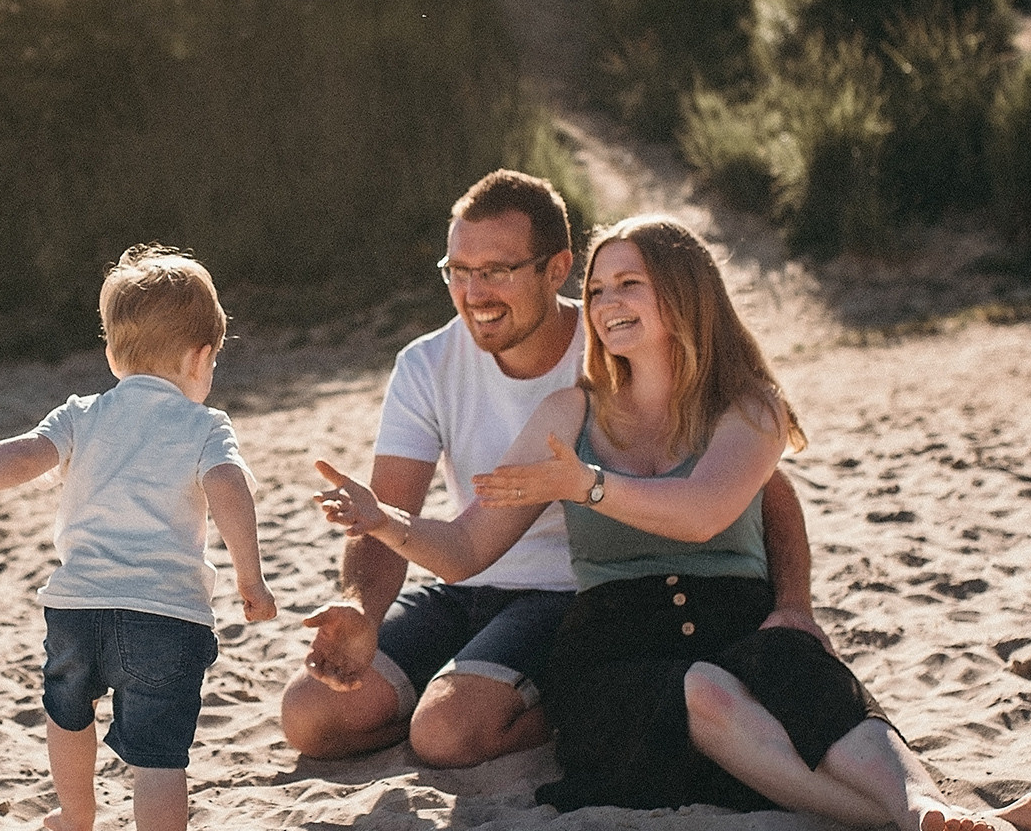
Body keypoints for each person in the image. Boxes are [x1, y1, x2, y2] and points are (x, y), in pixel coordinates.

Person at [314, 216, 1031, 831]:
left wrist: (586, 486)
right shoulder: (568, 409)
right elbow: (466, 547)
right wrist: (382, 519)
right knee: (702, 690)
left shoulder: (749, 405)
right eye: (599, 290)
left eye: (628, 285)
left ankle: (924, 807)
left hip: (736, 614)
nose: (605, 306)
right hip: (616, 641)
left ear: (682, 294)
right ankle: (918, 822)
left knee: (813, 689)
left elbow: (704, 513)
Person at [282, 170, 829, 769]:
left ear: (557, 267)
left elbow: (760, 492)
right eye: (458, 271)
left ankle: (579, 703)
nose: (475, 292)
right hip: (464, 576)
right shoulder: (426, 364)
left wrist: (794, 605)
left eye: (498, 271)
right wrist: (363, 608)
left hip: (570, 595)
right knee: (312, 716)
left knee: (447, 732)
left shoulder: (618, 349)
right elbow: (394, 515)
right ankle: (469, 698)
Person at [0, 246, 277, 831]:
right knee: (159, 756)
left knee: (68, 708)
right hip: (166, 617)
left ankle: (75, 814)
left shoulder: (83, 415)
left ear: (114, 356)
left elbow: (21, 457)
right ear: (200, 357)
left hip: (77, 607)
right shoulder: (203, 424)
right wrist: (251, 576)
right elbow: (228, 488)